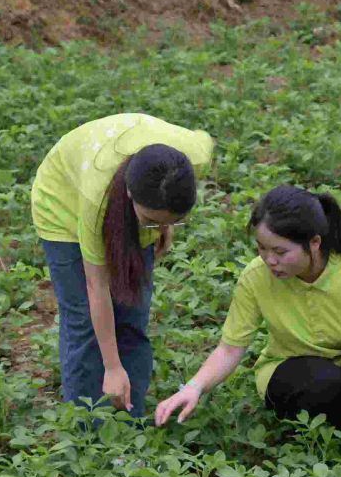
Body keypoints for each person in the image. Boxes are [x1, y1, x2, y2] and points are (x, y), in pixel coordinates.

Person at [155, 184, 341, 450]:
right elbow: (230, 348)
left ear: (314, 243)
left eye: (281, 252)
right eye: (262, 248)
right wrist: (193, 387)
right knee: (323, 381)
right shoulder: (256, 277)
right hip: (294, 372)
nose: (270, 260)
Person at [31, 113, 214, 416]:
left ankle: (131, 418)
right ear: (130, 193)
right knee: (85, 322)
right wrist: (112, 366)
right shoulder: (97, 198)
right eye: (152, 221)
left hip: (133, 195)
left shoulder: (194, 156)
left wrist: (162, 224)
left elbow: (167, 199)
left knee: (132, 311)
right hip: (63, 201)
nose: (161, 227)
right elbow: (96, 286)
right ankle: (88, 431)